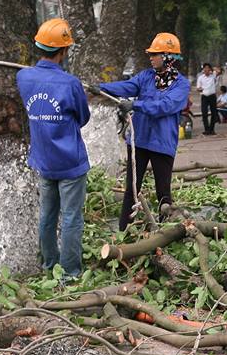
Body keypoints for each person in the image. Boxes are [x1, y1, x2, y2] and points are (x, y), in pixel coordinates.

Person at [15, 17, 91, 279]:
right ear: (64, 50)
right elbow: (83, 118)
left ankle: (49, 264)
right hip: (70, 162)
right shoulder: (70, 84)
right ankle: (70, 272)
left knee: (48, 215)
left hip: (44, 161)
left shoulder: (23, 77)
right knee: (71, 218)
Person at [91, 32, 190, 229]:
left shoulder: (182, 85)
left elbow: (165, 106)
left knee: (163, 191)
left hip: (162, 144)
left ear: (169, 56)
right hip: (139, 141)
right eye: (151, 54)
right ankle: (124, 231)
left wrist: (136, 105)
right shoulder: (146, 76)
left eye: (155, 54)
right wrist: (100, 87)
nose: (151, 58)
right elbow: (126, 86)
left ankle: (165, 232)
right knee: (131, 189)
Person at [195, 62, 218, 135]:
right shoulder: (200, 77)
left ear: (210, 69)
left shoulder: (213, 76)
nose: (206, 70)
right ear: (203, 69)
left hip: (212, 96)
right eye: (205, 68)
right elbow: (198, 88)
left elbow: (219, 70)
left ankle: (212, 129)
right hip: (204, 96)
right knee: (204, 113)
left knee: (214, 113)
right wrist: (199, 89)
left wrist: (213, 69)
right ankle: (206, 129)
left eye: (208, 68)